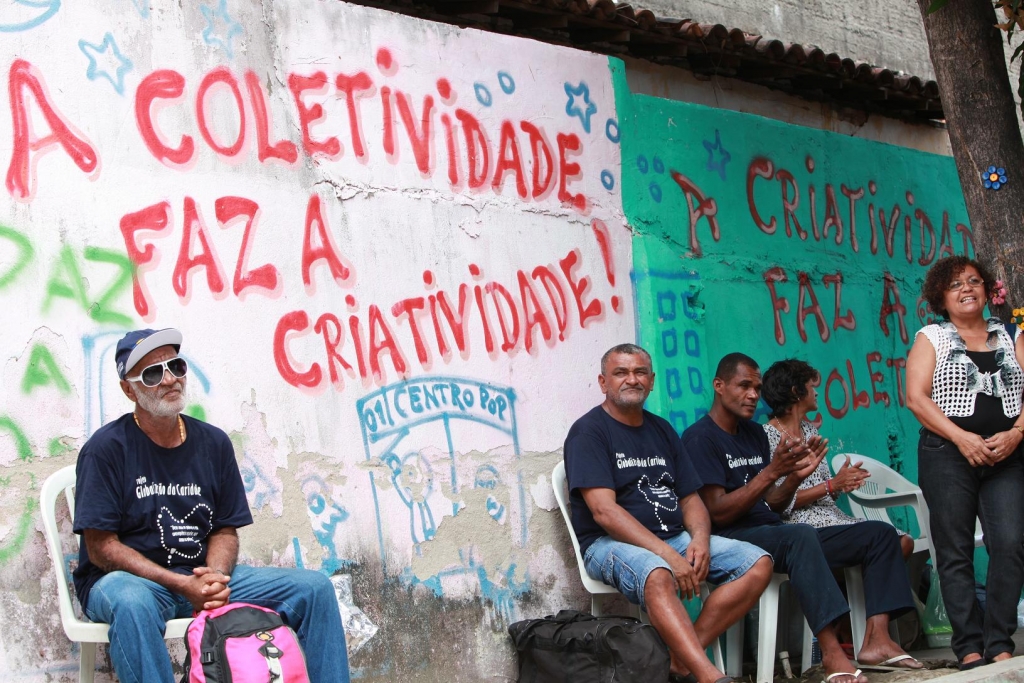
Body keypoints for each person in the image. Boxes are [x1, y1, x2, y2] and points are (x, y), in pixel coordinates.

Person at [73, 328, 351, 683]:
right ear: (129, 389)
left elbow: (224, 528)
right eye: (153, 373)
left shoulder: (213, 442)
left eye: (176, 365)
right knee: (131, 605)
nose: (170, 378)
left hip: (201, 574)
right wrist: (177, 583)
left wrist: (214, 579)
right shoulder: (106, 450)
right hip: (132, 582)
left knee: (315, 589)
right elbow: (100, 548)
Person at [683, 353, 922, 683]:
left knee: (880, 535)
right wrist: (772, 473)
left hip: (773, 529)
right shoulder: (701, 438)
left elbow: (776, 504)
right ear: (719, 386)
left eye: (757, 387)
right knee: (799, 534)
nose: (753, 394)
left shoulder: (751, 433)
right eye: (743, 386)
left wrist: (794, 477)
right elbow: (718, 511)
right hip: (733, 537)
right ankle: (832, 654)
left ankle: (876, 640)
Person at [564, 343, 773, 683]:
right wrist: (667, 555)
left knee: (757, 563)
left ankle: (678, 660)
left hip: (673, 538)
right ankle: (708, 675)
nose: (631, 379)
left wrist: (701, 540)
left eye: (640, 372)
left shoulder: (661, 430)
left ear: (651, 381)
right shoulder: (589, 432)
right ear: (603, 383)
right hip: (607, 544)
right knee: (658, 573)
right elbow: (604, 512)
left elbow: (690, 499)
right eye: (621, 373)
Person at [906, 255, 1024, 670]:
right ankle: (970, 647)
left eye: (974, 281)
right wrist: (961, 438)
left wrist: (1017, 432)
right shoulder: (931, 338)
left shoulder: (1011, 334)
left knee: (1009, 544)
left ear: (987, 289)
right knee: (954, 550)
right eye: (955, 284)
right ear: (941, 296)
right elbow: (916, 398)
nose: (966, 289)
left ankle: (999, 639)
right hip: (946, 455)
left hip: (1007, 455)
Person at [760, 359, 915, 560]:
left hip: (832, 518)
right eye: (811, 386)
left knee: (904, 542)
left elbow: (825, 492)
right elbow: (778, 503)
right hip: (802, 527)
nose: (816, 393)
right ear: (796, 392)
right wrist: (832, 485)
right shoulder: (767, 437)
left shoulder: (809, 431)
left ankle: (862, 590)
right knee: (887, 541)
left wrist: (842, 483)